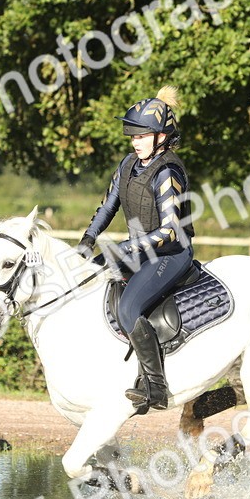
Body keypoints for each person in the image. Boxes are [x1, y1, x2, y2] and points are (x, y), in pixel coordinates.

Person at [77, 85, 195, 414]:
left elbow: (171, 231)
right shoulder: (129, 163)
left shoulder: (168, 172)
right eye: (133, 137)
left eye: (142, 136)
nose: (135, 142)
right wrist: (89, 237)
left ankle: (155, 388)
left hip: (172, 254)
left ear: (162, 136)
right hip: (141, 250)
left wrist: (123, 247)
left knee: (129, 307)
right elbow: (108, 205)